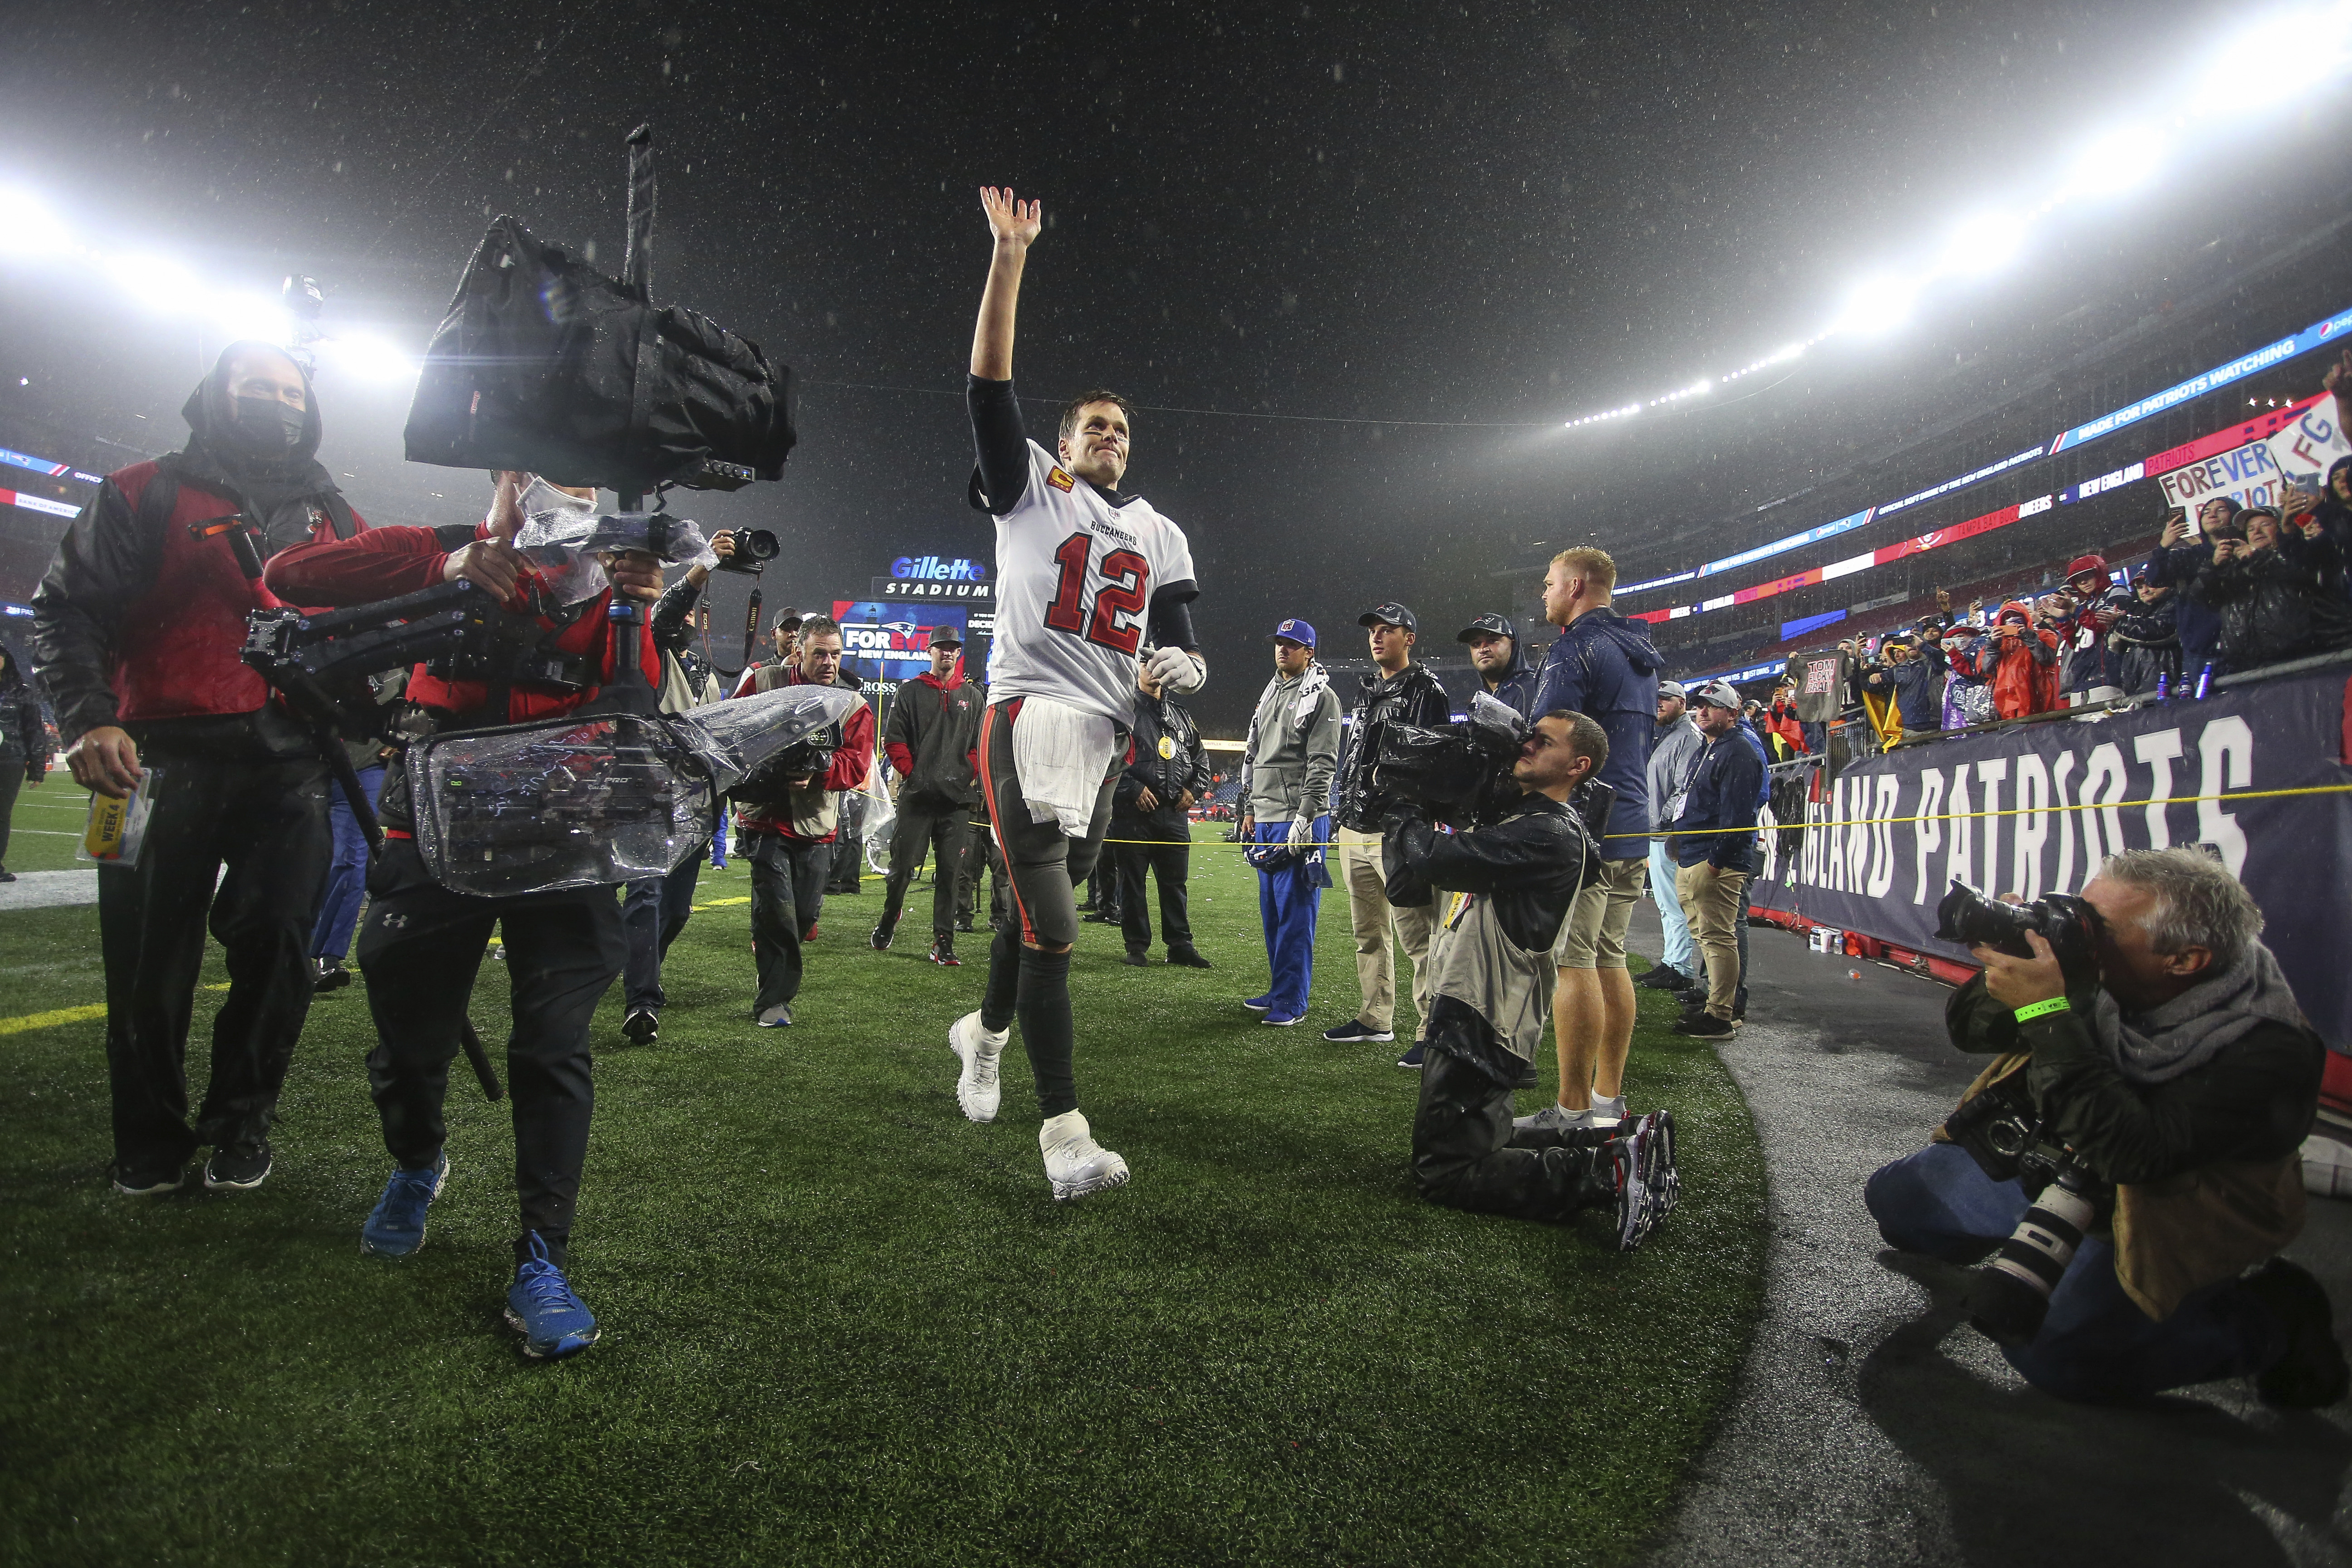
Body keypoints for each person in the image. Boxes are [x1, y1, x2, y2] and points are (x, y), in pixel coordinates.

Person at [262, 466, 666, 1359]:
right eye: (556, 471)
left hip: (560, 839)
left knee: (552, 1043)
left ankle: (542, 1257)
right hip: (432, 829)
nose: (579, 493)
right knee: (409, 1037)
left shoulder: (612, 584)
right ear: (509, 474)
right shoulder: (432, 548)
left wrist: (643, 613)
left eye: (592, 477)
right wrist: (445, 565)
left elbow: (631, 709)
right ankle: (418, 1162)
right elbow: (290, 577)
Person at [32, 341, 363, 1196]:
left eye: (291, 391)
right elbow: (64, 608)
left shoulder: (336, 513)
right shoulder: (144, 490)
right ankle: (147, 1138)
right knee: (144, 961)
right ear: (215, 395)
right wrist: (88, 718)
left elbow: (368, 633)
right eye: (256, 386)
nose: (276, 401)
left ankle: (241, 1123)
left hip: (289, 766)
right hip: (147, 761)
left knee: (283, 951)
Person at [1865, 849, 2341, 1407]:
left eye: (2097, 927)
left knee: (2052, 1355)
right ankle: (2043, 1253)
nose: (2075, 933)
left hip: (2154, 1207)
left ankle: (2269, 1320)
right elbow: (1970, 1031)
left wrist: (2047, 1015)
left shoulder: (2269, 1049)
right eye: (2078, 913)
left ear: (2184, 961)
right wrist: (2015, 960)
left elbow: (2131, 1155)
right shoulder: (2112, 971)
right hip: (2051, 1160)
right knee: (1900, 1208)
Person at [946, 185, 1207, 1201]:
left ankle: (985, 1032)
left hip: (1104, 737)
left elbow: (1179, 638)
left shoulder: (1161, 529)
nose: (1113, 436)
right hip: (1024, 717)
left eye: (1123, 429)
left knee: (1033, 909)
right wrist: (1010, 257)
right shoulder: (1029, 487)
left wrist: (1186, 668)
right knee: (1055, 924)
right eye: (1096, 425)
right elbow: (987, 388)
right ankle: (1064, 1134)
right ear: (1065, 443)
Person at [1387, 709, 1673, 1249]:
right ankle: (1610, 1140)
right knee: (1474, 1134)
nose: (1526, 745)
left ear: (1577, 766)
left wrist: (1402, 802)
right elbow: (1411, 881)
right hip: (1476, 1003)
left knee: (1445, 1171)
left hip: (1485, 1016)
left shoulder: (1550, 833)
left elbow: (1432, 858)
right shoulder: (1528, 818)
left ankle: (1605, 1173)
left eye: (1544, 742)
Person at [1522, 547, 1663, 1126]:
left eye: (1551, 583)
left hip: (1586, 828)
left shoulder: (1575, 648)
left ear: (1577, 586)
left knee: (1573, 960)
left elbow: (1550, 746)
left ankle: (1574, 1110)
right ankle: (1608, 1100)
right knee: (1610, 957)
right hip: (1632, 821)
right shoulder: (1641, 655)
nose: (1545, 593)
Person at [613, 534, 740, 1044]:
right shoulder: (654, 642)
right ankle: (643, 1000)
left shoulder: (705, 666)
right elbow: (665, 616)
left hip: (694, 799)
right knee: (644, 893)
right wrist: (703, 567)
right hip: (649, 789)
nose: (689, 620)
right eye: (685, 612)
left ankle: (641, 965)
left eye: (695, 615)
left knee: (678, 907)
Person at [1322, 603, 1451, 1061]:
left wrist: (1405, 811)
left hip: (1397, 831)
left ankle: (1429, 1033)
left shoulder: (1426, 689)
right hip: (1356, 828)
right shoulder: (1369, 688)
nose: (1377, 638)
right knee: (1368, 933)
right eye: (1373, 631)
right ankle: (1375, 1018)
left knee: (1418, 938)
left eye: (1388, 630)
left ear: (1409, 638)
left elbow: (1433, 760)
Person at [734, 615, 875, 1025]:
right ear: (799, 651)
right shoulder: (763, 682)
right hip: (765, 818)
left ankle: (771, 942)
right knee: (777, 909)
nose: (829, 662)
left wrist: (821, 769)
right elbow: (735, 734)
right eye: (820, 654)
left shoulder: (852, 704)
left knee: (804, 916)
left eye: (835, 654)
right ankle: (773, 1003)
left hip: (816, 823)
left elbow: (857, 764)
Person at [1239, 618, 1342, 1024]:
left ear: (1310, 652)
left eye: (1293, 644)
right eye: (1280, 643)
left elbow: (1322, 762)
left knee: (1296, 912)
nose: (1283, 649)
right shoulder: (1270, 694)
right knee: (1273, 913)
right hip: (1265, 813)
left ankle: (1293, 1002)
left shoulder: (1323, 697)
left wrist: (1307, 815)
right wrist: (1248, 808)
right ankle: (1279, 989)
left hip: (1297, 816)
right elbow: (1255, 755)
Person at [873, 626, 984, 966]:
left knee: (951, 873)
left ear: (958, 653)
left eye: (953, 648)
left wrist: (965, 774)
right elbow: (893, 741)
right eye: (942, 648)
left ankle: (943, 942)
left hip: (956, 801)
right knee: (902, 868)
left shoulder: (973, 697)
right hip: (919, 798)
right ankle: (891, 916)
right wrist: (917, 775)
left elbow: (978, 747)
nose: (947, 653)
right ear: (930, 651)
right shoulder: (910, 692)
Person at [1663, 681, 1763, 1039]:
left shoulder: (1739, 751)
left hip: (1713, 860)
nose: (1703, 711)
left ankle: (1721, 1015)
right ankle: (1713, 1003)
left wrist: (1716, 862)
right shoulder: (1709, 748)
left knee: (1719, 938)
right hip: (1691, 855)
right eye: (1701, 705)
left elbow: (1738, 816)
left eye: (1713, 706)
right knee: (1705, 937)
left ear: (1733, 713)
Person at [1113, 653, 1213, 968]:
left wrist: (1193, 790)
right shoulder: (1122, 710)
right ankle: (1137, 946)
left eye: (1159, 665)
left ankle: (1180, 945)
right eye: (1147, 665)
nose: (1154, 671)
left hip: (1173, 814)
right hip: (1132, 816)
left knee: (1175, 885)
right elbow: (1105, 758)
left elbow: (1202, 763)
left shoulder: (1181, 715)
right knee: (1132, 883)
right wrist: (1132, 789)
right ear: (1136, 670)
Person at [308, 668, 403, 992]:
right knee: (296, 859)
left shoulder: (405, 652)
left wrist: (406, 739)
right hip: (302, 763)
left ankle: (325, 956)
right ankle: (290, 948)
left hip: (364, 767)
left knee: (349, 859)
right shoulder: (319, 637)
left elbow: (426, 701)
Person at [2194, 504, 2352, 673]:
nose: (2257, 532)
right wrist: (2213, 566)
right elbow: (2201, 595)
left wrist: (2256, 555)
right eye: (2250, 529)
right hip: (2250, 668)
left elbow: (2292, 569)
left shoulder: (2304, 554)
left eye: (2265, 525)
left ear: (2283, 528)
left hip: (2308, 663)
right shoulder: (2240, 567)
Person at [1635, 681, 1702, 998]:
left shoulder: (1687, 737)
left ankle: (1680, 969)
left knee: (1674, 903)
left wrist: (1664, 820)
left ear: (1682, 703)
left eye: (1665, 699)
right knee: (1666, 903)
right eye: (1656, 699)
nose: (1658, 704)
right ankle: (1672, 962)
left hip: (1668, 833)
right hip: (1656, 830)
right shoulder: (1666, 735)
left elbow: (1684, 788)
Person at [0, 643, 54, 881]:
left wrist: (37, 769)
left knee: (1, 814)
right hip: (11, 758)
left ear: (5, 660)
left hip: (9, 760)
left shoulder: (21, 692)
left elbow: (34, 732)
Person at [2053, 554, 2131, 709]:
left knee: (2108, 728)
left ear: (2099, 572)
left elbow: (2103, 624)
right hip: (2081, 681)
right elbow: (2073, 644)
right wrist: (2063, 619)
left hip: (2106, 678)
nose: (2083, 582)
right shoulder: (2086, 604)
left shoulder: (2116, 593)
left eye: (2087, 575)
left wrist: (2074, 609)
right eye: (2077, 579)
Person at [1975, 600, 2059, 719]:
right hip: (2008, 698)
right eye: (2008, 617)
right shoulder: (1997, 643)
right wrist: (1993, 644)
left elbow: (2048, 660)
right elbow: (1987, 669)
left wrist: (2028, 637)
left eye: (2016, 616)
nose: (2012, 620)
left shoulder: (2043, 635)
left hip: (2040, 694)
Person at [2109, 572, 2181, 697]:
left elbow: (2160, 631)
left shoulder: (2176, 603)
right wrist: (2113, 629)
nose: (2145, 591)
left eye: (2150, 585)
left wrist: (2120, 623)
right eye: (2140, 587)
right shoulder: (2137, 612)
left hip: (2166, 685)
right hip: (2138, 687)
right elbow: (2116, 648)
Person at [1456, 612, 1538, 720]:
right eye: (1476, 644)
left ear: (1513, 645)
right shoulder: (1493, 694)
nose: (1483, 649)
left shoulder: (1528, 689)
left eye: (1492, 641)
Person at [730, 605, 804, 697]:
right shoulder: (756, 670)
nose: (793, 634)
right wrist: (784, 670)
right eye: (786, 629)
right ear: (773, 634)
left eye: (798, 629)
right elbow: (739, 706)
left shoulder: (815, 669)